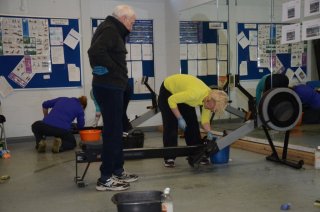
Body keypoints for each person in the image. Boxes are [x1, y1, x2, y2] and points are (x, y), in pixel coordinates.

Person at [87, 4, 138, 191]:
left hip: (112, 86)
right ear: (123, 18)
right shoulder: (110, 29)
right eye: (131, 23)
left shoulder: (111, 28)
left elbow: (98, 53)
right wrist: (112, 69)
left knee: (117, 131)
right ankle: (105, 178)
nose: (131, 27)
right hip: (108, 87)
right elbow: (95, 52)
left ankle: (117, 170)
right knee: (112, 132)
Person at [158, 74, 229, 168]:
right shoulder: (194, 94)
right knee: (171, 124)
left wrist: (209, 133)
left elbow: (205, 120)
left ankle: (196, 154)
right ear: (210, 100)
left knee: (192, 124)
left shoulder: (207, 99)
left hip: (183, 92)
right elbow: (171, 100)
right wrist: (179, 118)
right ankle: (169, 157)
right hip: (168, 91)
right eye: (214, 108)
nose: (213, 110)